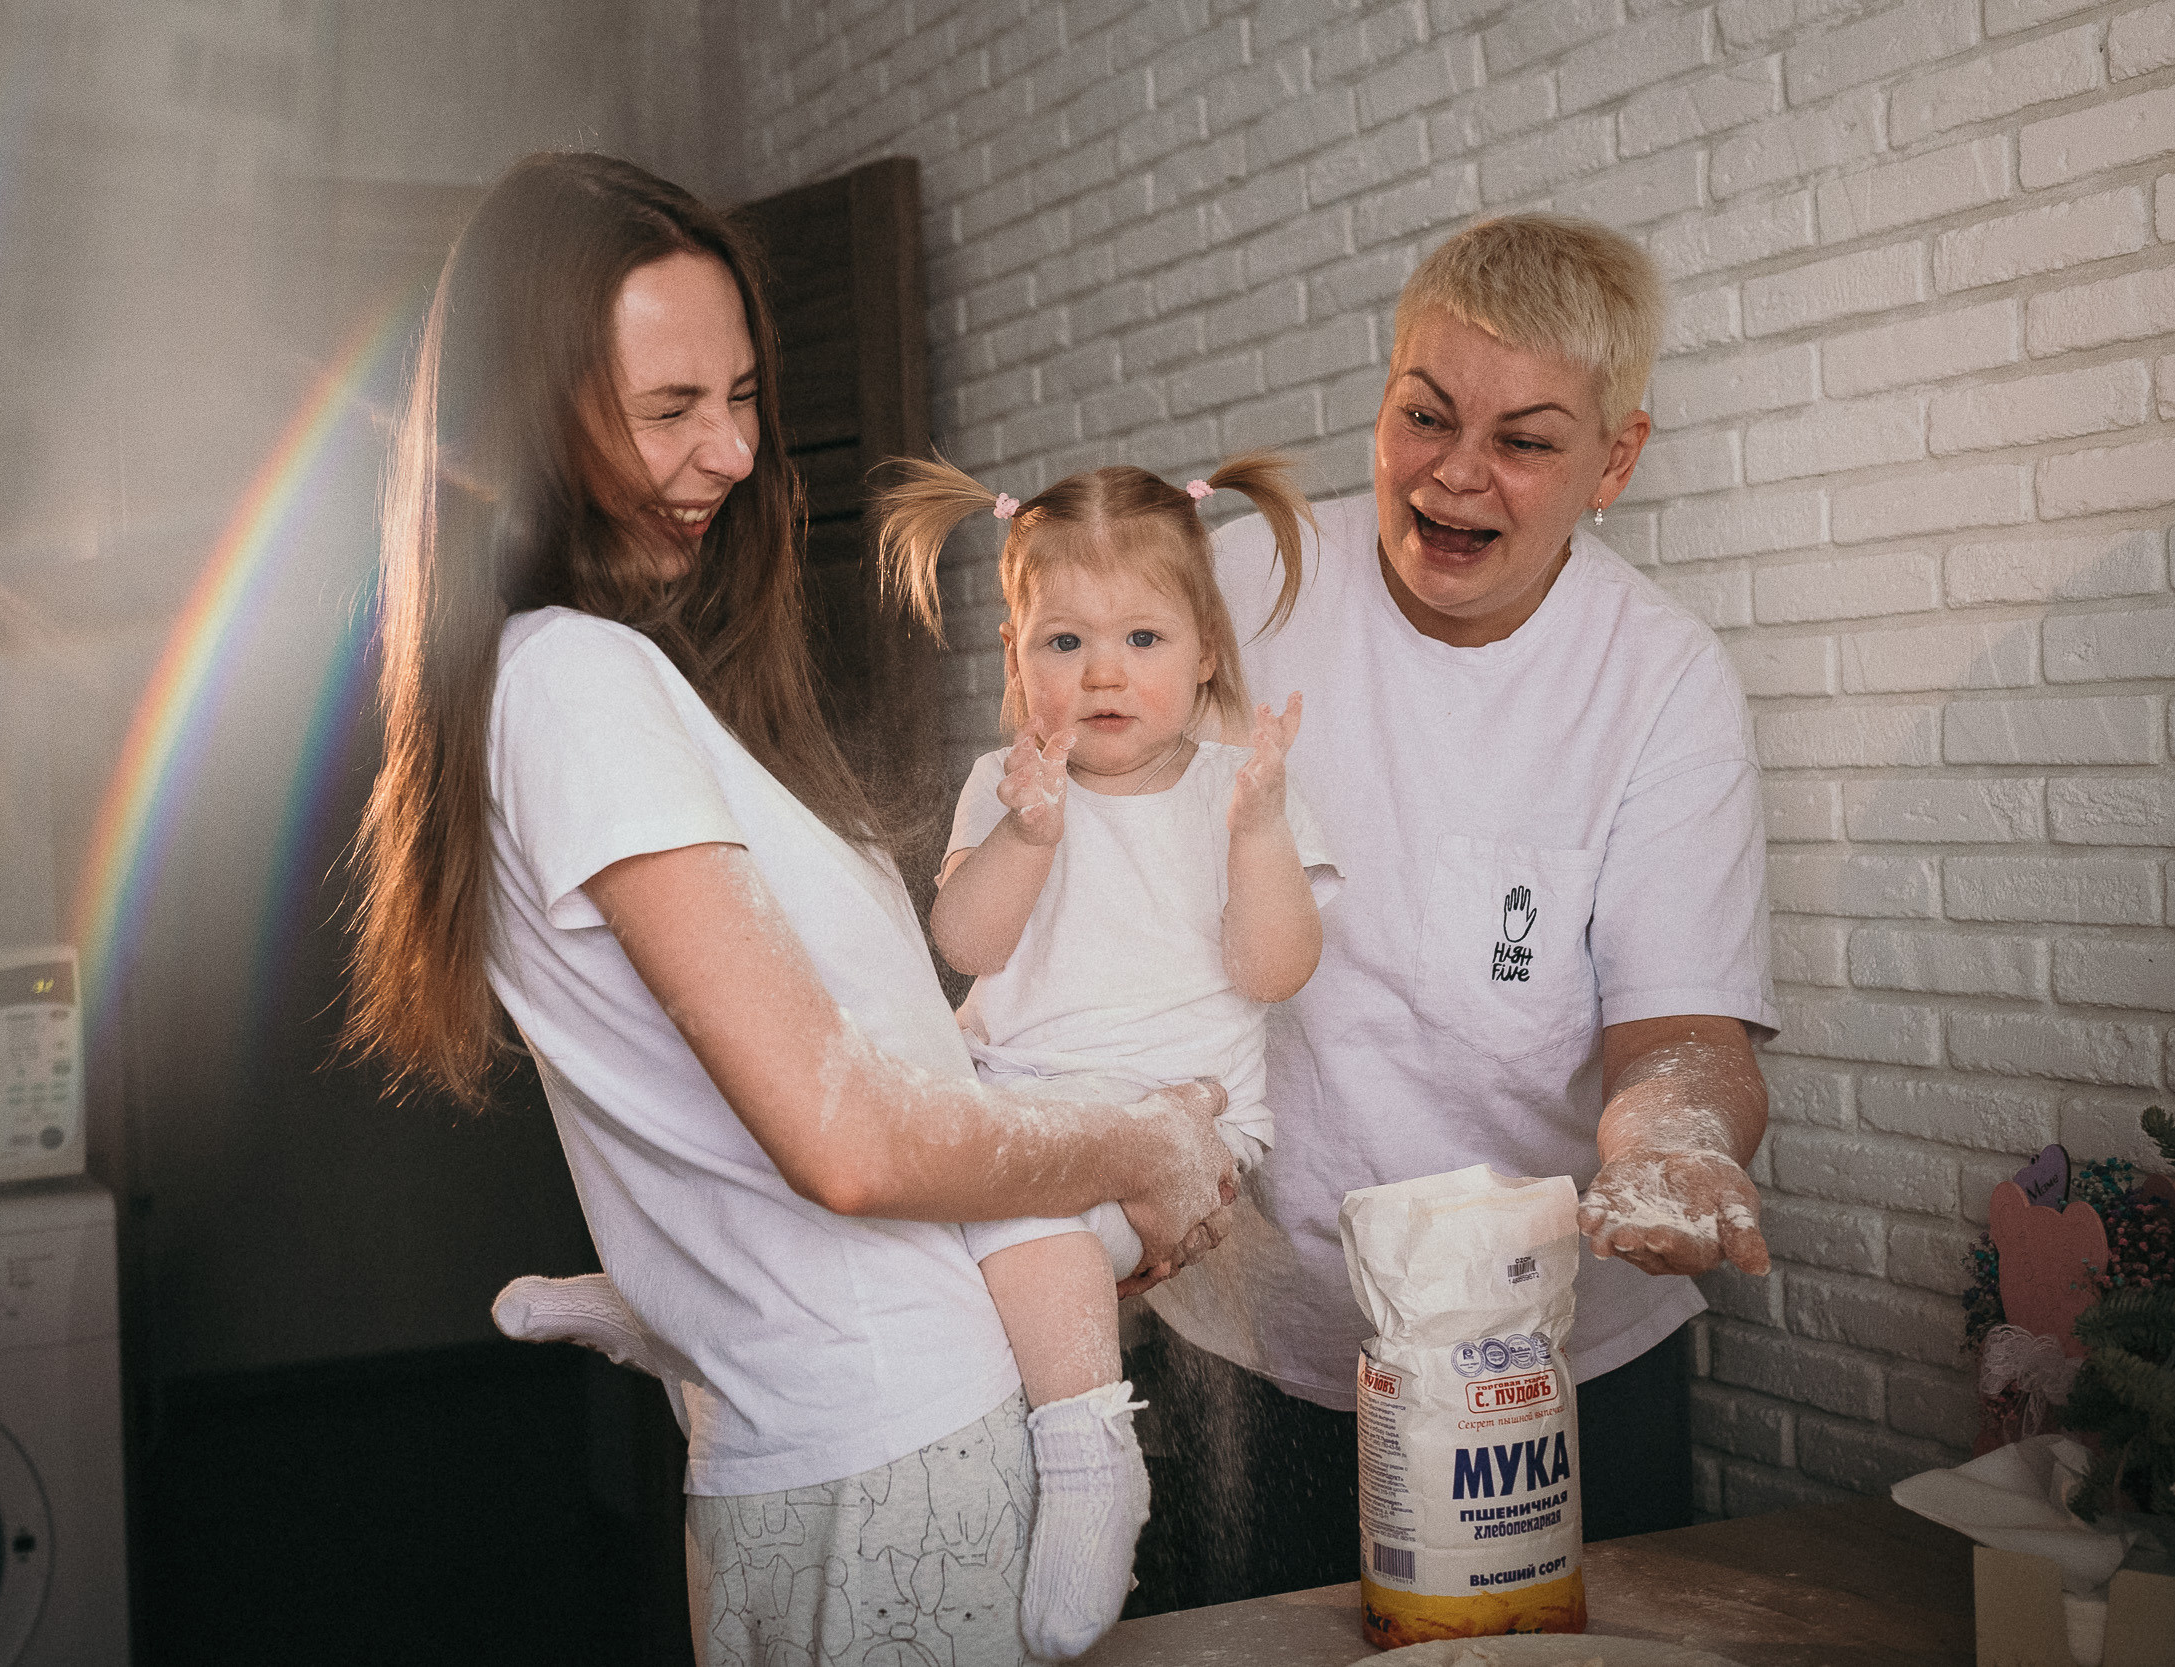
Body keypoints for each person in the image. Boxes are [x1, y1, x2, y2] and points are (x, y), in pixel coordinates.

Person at [339, 153, 1235, 1667]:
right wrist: (1141, 1138)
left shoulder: (599, 683)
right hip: (895, 1444)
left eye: (743, 394)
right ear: (528, 420)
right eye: (668, 409)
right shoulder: (578, 683)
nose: (738, 451)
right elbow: (851, 1137)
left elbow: (778, 1096)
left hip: (825, 1439)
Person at [1127, 211, 1780, 1611]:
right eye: (1423, 414)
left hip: (1543, 1359)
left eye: (1527, 438)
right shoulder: (1237, 588)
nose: (1455, 473)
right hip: (1252, 1329)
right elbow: (1104, 886)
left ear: (1616, 458)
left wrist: (1675, 1138)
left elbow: (1683, 1034)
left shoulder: (1659, 680)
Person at [870, 453, 1343, 1650]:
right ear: (1015, 653)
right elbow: (962, 939)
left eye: (1140, 636)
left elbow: (1274, 969)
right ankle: (680, 1295)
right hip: (1013, 1095)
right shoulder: (1010, 782)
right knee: (851, 1134)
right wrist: (1028, 833)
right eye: (1064, 643)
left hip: (1170, 1130)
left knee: (1027, 1225)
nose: (1103, 673)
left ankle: (1088, 1451)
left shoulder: (1241, 789)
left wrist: (1261, 837)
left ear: (1206, 655)